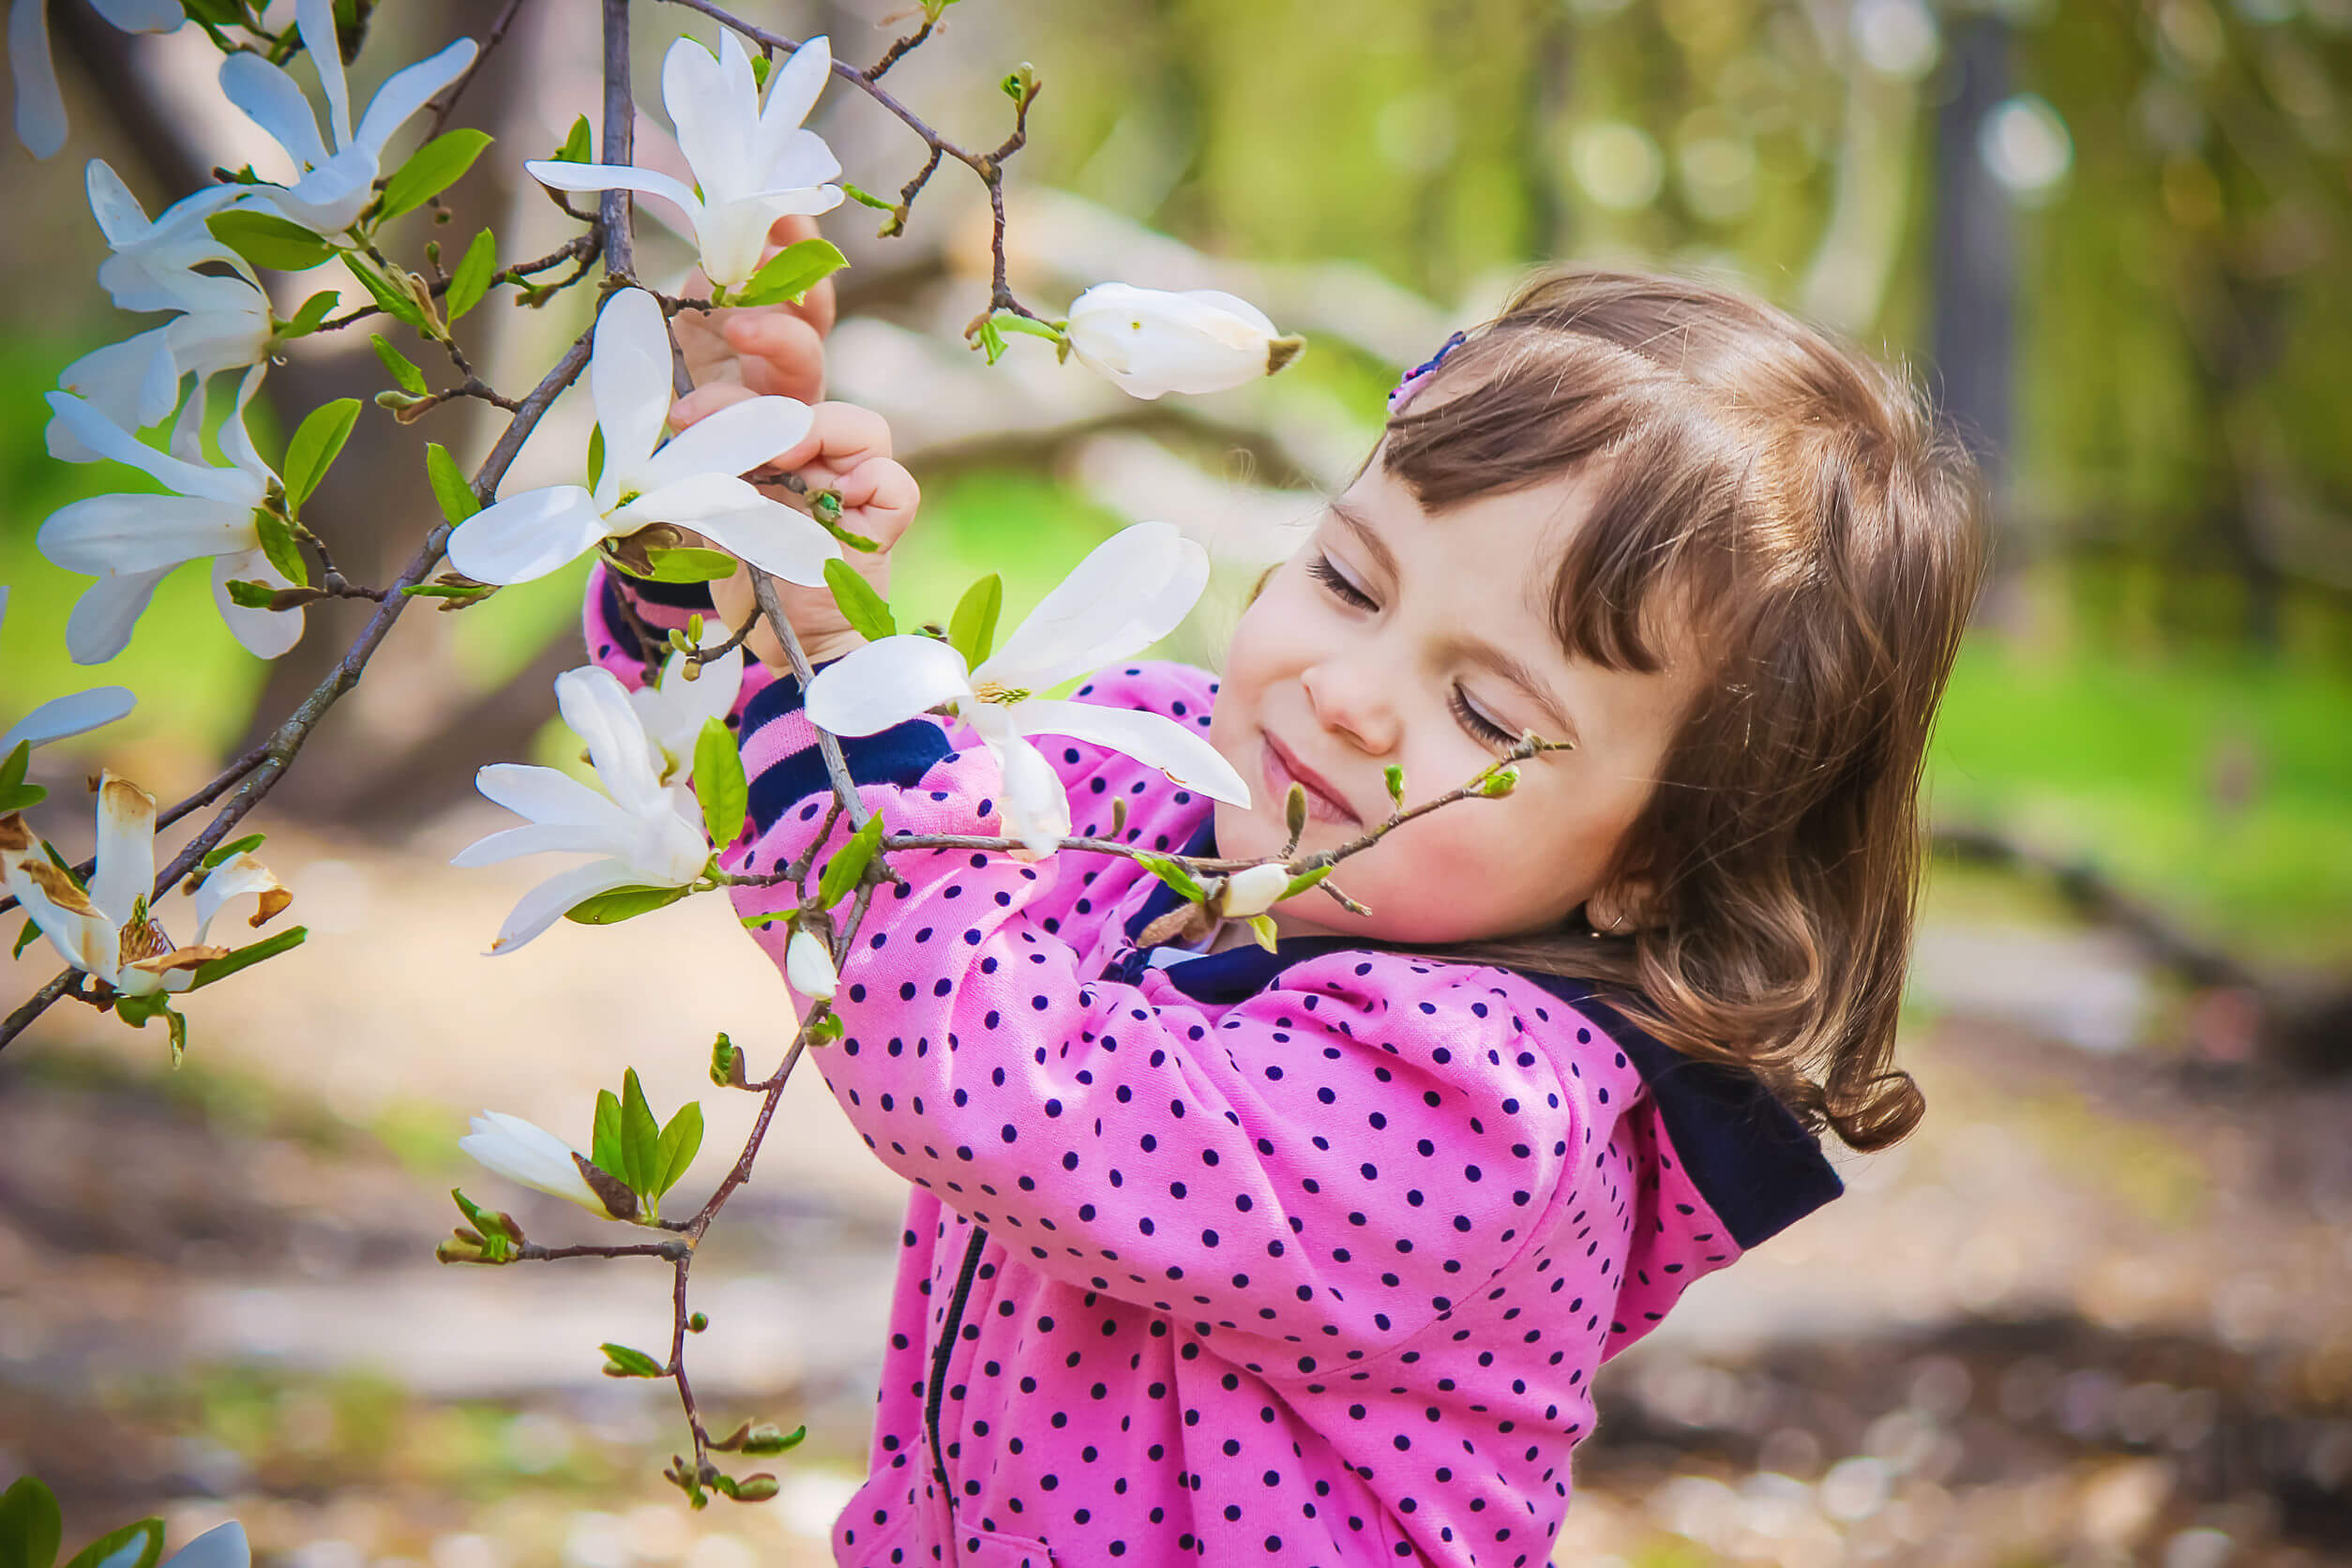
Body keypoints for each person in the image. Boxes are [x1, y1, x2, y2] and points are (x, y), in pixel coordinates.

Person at [589, 221, 1985, 1568]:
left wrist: (835, 680)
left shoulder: (1486, 1115)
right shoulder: (1160, 779)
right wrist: (727, 550)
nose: (1351, 696)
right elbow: (817, 816)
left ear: (1654, 865)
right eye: (1347, 577)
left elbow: (994, 1084)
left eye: (1488, 714)